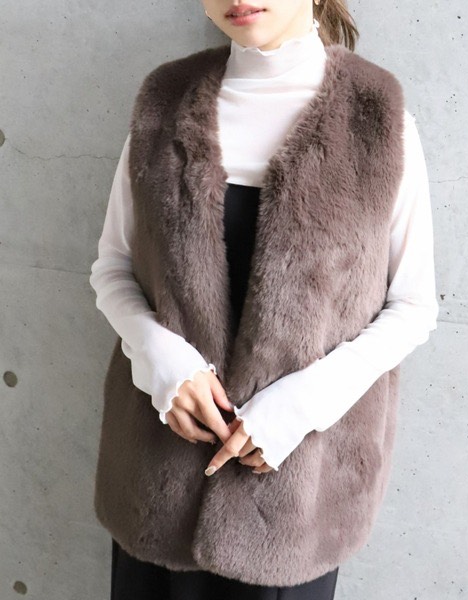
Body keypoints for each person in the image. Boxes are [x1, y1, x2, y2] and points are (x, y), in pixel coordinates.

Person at [89, 0, 439, 598]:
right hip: (155, 480)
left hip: (295, 499)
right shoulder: (163, 103)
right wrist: (161, 362)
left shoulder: (378, 118)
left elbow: (412, 306)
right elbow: (112, 268)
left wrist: (300, 407)